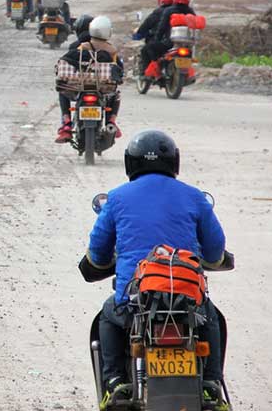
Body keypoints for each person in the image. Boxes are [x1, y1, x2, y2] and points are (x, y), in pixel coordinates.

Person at [82, 130, 227, 409]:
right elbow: (215, 250)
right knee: (212, 318)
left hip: (135, 304)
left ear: (130, 163)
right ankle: (211, 385)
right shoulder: (194, 197)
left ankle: (114, 385)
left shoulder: (116, 198)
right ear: (174, 162)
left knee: (107, 317)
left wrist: (99, 264)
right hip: (186, 302)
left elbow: (98, 252)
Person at [55, 16, 122, 143]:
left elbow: (70, 62)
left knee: (63, 91)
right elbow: (119, 70)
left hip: (80, 86)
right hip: (102, 87)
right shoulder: (111, 50)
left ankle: (66, 122)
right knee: (115, 95)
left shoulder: (81, 46)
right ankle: (111, 121)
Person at [142, 0, 195, 70]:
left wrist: (157, 39)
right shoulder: (191, 12)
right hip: (188, 45)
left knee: (147, 48)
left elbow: (162, 27)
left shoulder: (169, 11)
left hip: (169, 43)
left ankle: (153, 70)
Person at [132, 0, 174, 74]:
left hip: (162, 42)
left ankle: (147, 73)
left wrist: (139, 31)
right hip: (175, 43)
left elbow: (146, 25)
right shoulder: (177, 12)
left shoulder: (158, 12)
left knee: (145, 50)